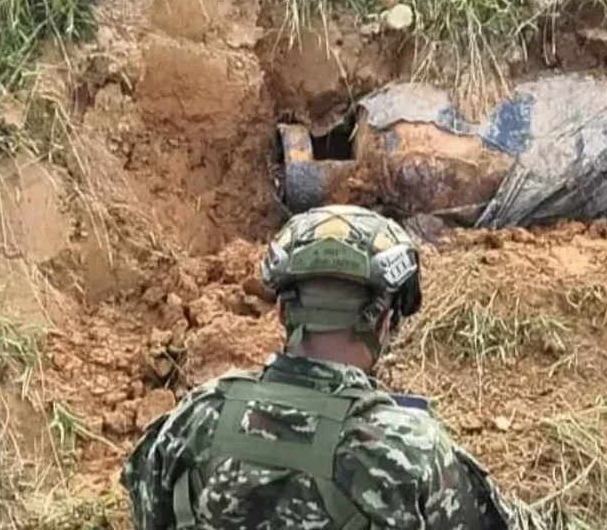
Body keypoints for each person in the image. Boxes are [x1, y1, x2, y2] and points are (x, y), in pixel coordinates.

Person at [120, 204, 541, 530]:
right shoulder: (412, 449)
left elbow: (147, 512)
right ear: (383, 320)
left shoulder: (195, 418)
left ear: (284, 313)